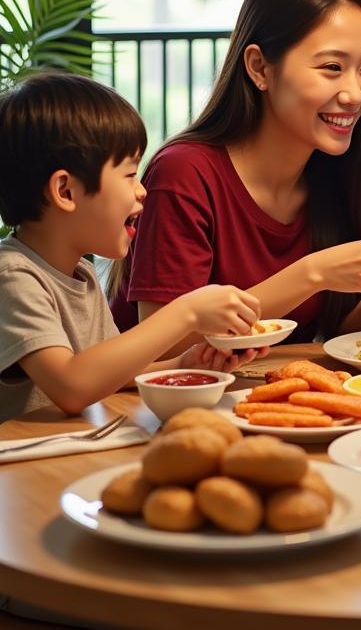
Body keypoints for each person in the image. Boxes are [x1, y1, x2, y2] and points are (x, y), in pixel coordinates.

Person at [110, 0, 361, 346]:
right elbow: (164, 349)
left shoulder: (333, 171)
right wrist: (314, 273)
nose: (355, 93)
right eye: (332, 67)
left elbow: (333, 344)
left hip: (268, 398)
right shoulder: (184, 173)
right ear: (259, 67)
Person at [0, 71, 260, 423]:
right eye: (129, 174)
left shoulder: (81, 272)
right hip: (25, 468)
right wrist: (187, 312)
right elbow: (72, 386)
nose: (142, 191)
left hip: (77, 449)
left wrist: (186, 362)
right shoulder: (14, 276)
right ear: (65, 191)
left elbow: (106, 374)